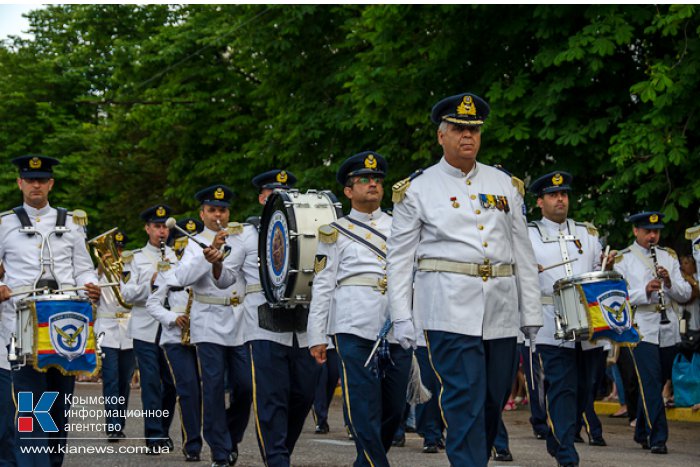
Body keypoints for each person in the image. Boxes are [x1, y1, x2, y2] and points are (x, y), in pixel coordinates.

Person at [386, 93, 542, 466]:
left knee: (492, 400)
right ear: (441, 136)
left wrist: (531, 312)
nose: (467, 136)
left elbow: (523, 252)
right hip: (448, 309)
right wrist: (401, 315)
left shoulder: (505, 184)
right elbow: (399, 258)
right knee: (464, 397)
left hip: (501, 310)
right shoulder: (418, 189)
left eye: (473, 130)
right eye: (458, 129)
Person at [209, 169, 322, 467]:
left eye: (284, 194)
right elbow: (226, 279)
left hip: (303, 325)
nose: (277, 198)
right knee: (272, 399)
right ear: (262, 198)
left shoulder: (309, 229)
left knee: (304, 395)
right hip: (264, 326)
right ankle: (277, 460)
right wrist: (218, 265)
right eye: (271, 193)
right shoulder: (246, 234)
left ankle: (281, 450)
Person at [308, 151, 412, 467]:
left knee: (395, 408)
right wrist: (317, 334)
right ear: (349, 191)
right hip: (353, 325)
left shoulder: (402, 227)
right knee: (363, 406)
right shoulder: (333, 232)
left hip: (395, 325)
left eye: (377, 179)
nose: (372, 184)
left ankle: (365, 463)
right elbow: (322, 284)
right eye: (364, 180)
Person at [0, 155, 100, 467]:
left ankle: (51, 462)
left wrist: (91, 286)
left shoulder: (71, 223)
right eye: (30, 179)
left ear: (51, 184)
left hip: (65, 327)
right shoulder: (4, 224)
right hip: (21, 327)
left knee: (57, 406)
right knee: (30, 405)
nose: (36, 185)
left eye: (42, 179)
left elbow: (85, 270)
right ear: (20, 183)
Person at [526, 171, 614, 466]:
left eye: (563, 194)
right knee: (562, 387)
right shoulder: (529, 235)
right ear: (540, 201)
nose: (560, 199)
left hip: (586, 328)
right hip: (550, 324)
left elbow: (594, 273)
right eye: (553, 195)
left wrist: (605, 265)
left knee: (583, 389)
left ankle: (556, 437)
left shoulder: (587, 234)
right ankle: (566, 452)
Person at [174, 184, 251, 467]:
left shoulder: (241, 240)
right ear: (202, 213)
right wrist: (211, 255)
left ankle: (230, 435)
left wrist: (221, 258)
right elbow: (182, 278)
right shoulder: (192, 242)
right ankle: (220, 450)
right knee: (214, 386)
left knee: (245, 387)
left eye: (222, 209)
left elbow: (235, 277)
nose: (218, 214)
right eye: (212, 210)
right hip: (207, 320)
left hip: (238, 320)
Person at [613, 211, 691, 454]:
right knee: (650, 382)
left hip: (668, 330)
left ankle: (641, 431)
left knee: (659, 381)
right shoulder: (623, 259)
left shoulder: (668, 256)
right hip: (641, 329)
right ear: (636, 231)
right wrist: (644, 290)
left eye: (656, 231)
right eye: (647, 231)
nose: (652, 235)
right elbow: (617, 298)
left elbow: (686, 294)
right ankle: (658, 438)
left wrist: (668, 283)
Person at [120, 204, 178, 454]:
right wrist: (151, 281)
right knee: (152, 383)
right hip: (145, 328)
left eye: (165, 227)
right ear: (147, 228)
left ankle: (163, 430)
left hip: (171, 328)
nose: (162, 231)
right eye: (157, 226)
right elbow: (127, 293)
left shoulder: (176, 256)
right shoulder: (135, 258)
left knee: (172, 385)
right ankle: (154, 436)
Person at [147, 217, 204, 462]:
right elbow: (153, 303)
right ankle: (192, 444)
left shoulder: (204, 267)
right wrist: (172, 317)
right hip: (174, 338)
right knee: (188, 389)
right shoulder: (167, 269)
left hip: (204, 336)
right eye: (180, 244)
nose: (183, 249)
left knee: (207, 390)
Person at [94, 229, 135, 442]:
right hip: (107, 329)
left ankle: (120, 421)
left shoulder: (130, 270)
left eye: (118, 249)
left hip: (128, 329)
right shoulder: (98, 273)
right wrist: (102, 263)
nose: (115, 253)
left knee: (124, 380)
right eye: (112, 249)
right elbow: (91, 291)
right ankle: (113, 425)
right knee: (110, 378)